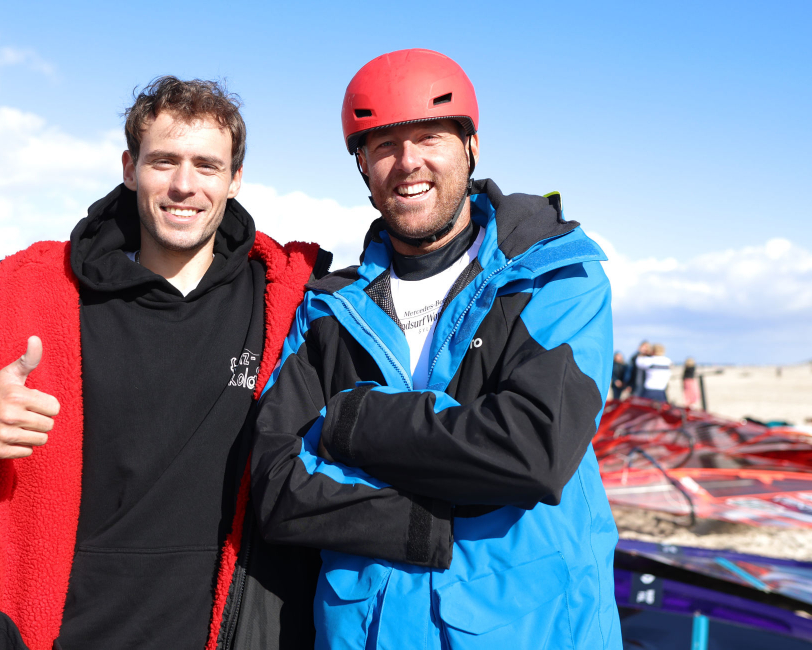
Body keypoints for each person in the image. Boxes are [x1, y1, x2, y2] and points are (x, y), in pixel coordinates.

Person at [0, 77, 330, 650]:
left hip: (229, 630)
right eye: (163, 161)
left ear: (235, 178)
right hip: (58, 631)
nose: (184, 185)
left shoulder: (290, 299)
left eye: (206, 165)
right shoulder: (30, 290)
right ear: (130, 169)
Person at [251, 49, 620, 649]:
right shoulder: (329, 310)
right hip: (364, 632)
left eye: (430, 138)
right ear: (362, 167)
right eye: (383, 145)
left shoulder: (553, 277)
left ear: (471, 147)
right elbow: (276, 485)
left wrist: (348, 422)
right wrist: (427, 519)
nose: (408, 163)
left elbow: (532, 450)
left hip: (532, 632)